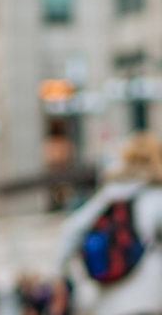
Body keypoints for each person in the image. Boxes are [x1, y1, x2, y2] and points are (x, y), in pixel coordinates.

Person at [53, 131, 162, 315]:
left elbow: (69, 231)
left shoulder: (108, 197)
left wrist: (59, 277)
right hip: (148, 297)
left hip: (108, 302)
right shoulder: (154, 197)